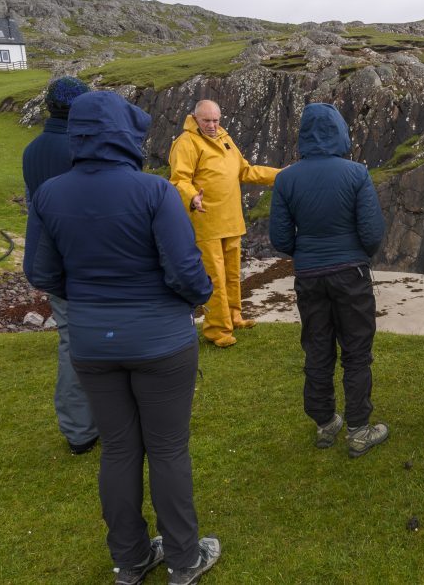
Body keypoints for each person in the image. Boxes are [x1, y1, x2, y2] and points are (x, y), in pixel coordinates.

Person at [24, 91, 221, 584]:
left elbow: (41, 272)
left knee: (118, 449)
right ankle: (182, 559)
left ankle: (130, 560)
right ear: (125, 133)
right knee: (169, 449)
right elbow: (185, 271)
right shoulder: (153, 192)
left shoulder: (49, 193)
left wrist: (91, 300)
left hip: (93, 343)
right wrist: (196, 296)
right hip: (160, 341)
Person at [269, 103, 388, 458]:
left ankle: (325, 423)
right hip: (350, 273)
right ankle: (358, 429)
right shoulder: (356, 174)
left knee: (317, 349)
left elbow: (280, 238)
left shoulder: (286, 178)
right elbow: (372, 232)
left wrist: (305, 251)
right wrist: (356, 253)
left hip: (309, 276)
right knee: (356, 352)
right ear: (340, 130)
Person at [21, 76, 99, 455]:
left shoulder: (32, 151)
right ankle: (88, 427)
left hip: (53, 264)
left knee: (72, 341)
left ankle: (80, 427)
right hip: (89, 263)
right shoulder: (81, 149)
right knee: (93, 342)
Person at [169, 99, 281, 348]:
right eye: (207, 120)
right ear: (195, 118)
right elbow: (179, 180)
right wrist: (192, 198)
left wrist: (280, 175)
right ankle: (217, 330)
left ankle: (234, 316)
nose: (212, 125)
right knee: (214, 278)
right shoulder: (186, 143)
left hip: (232, 220)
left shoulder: (225, 139)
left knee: (231, 274)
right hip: (206, 221)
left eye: (216, 120)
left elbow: (246, 171)